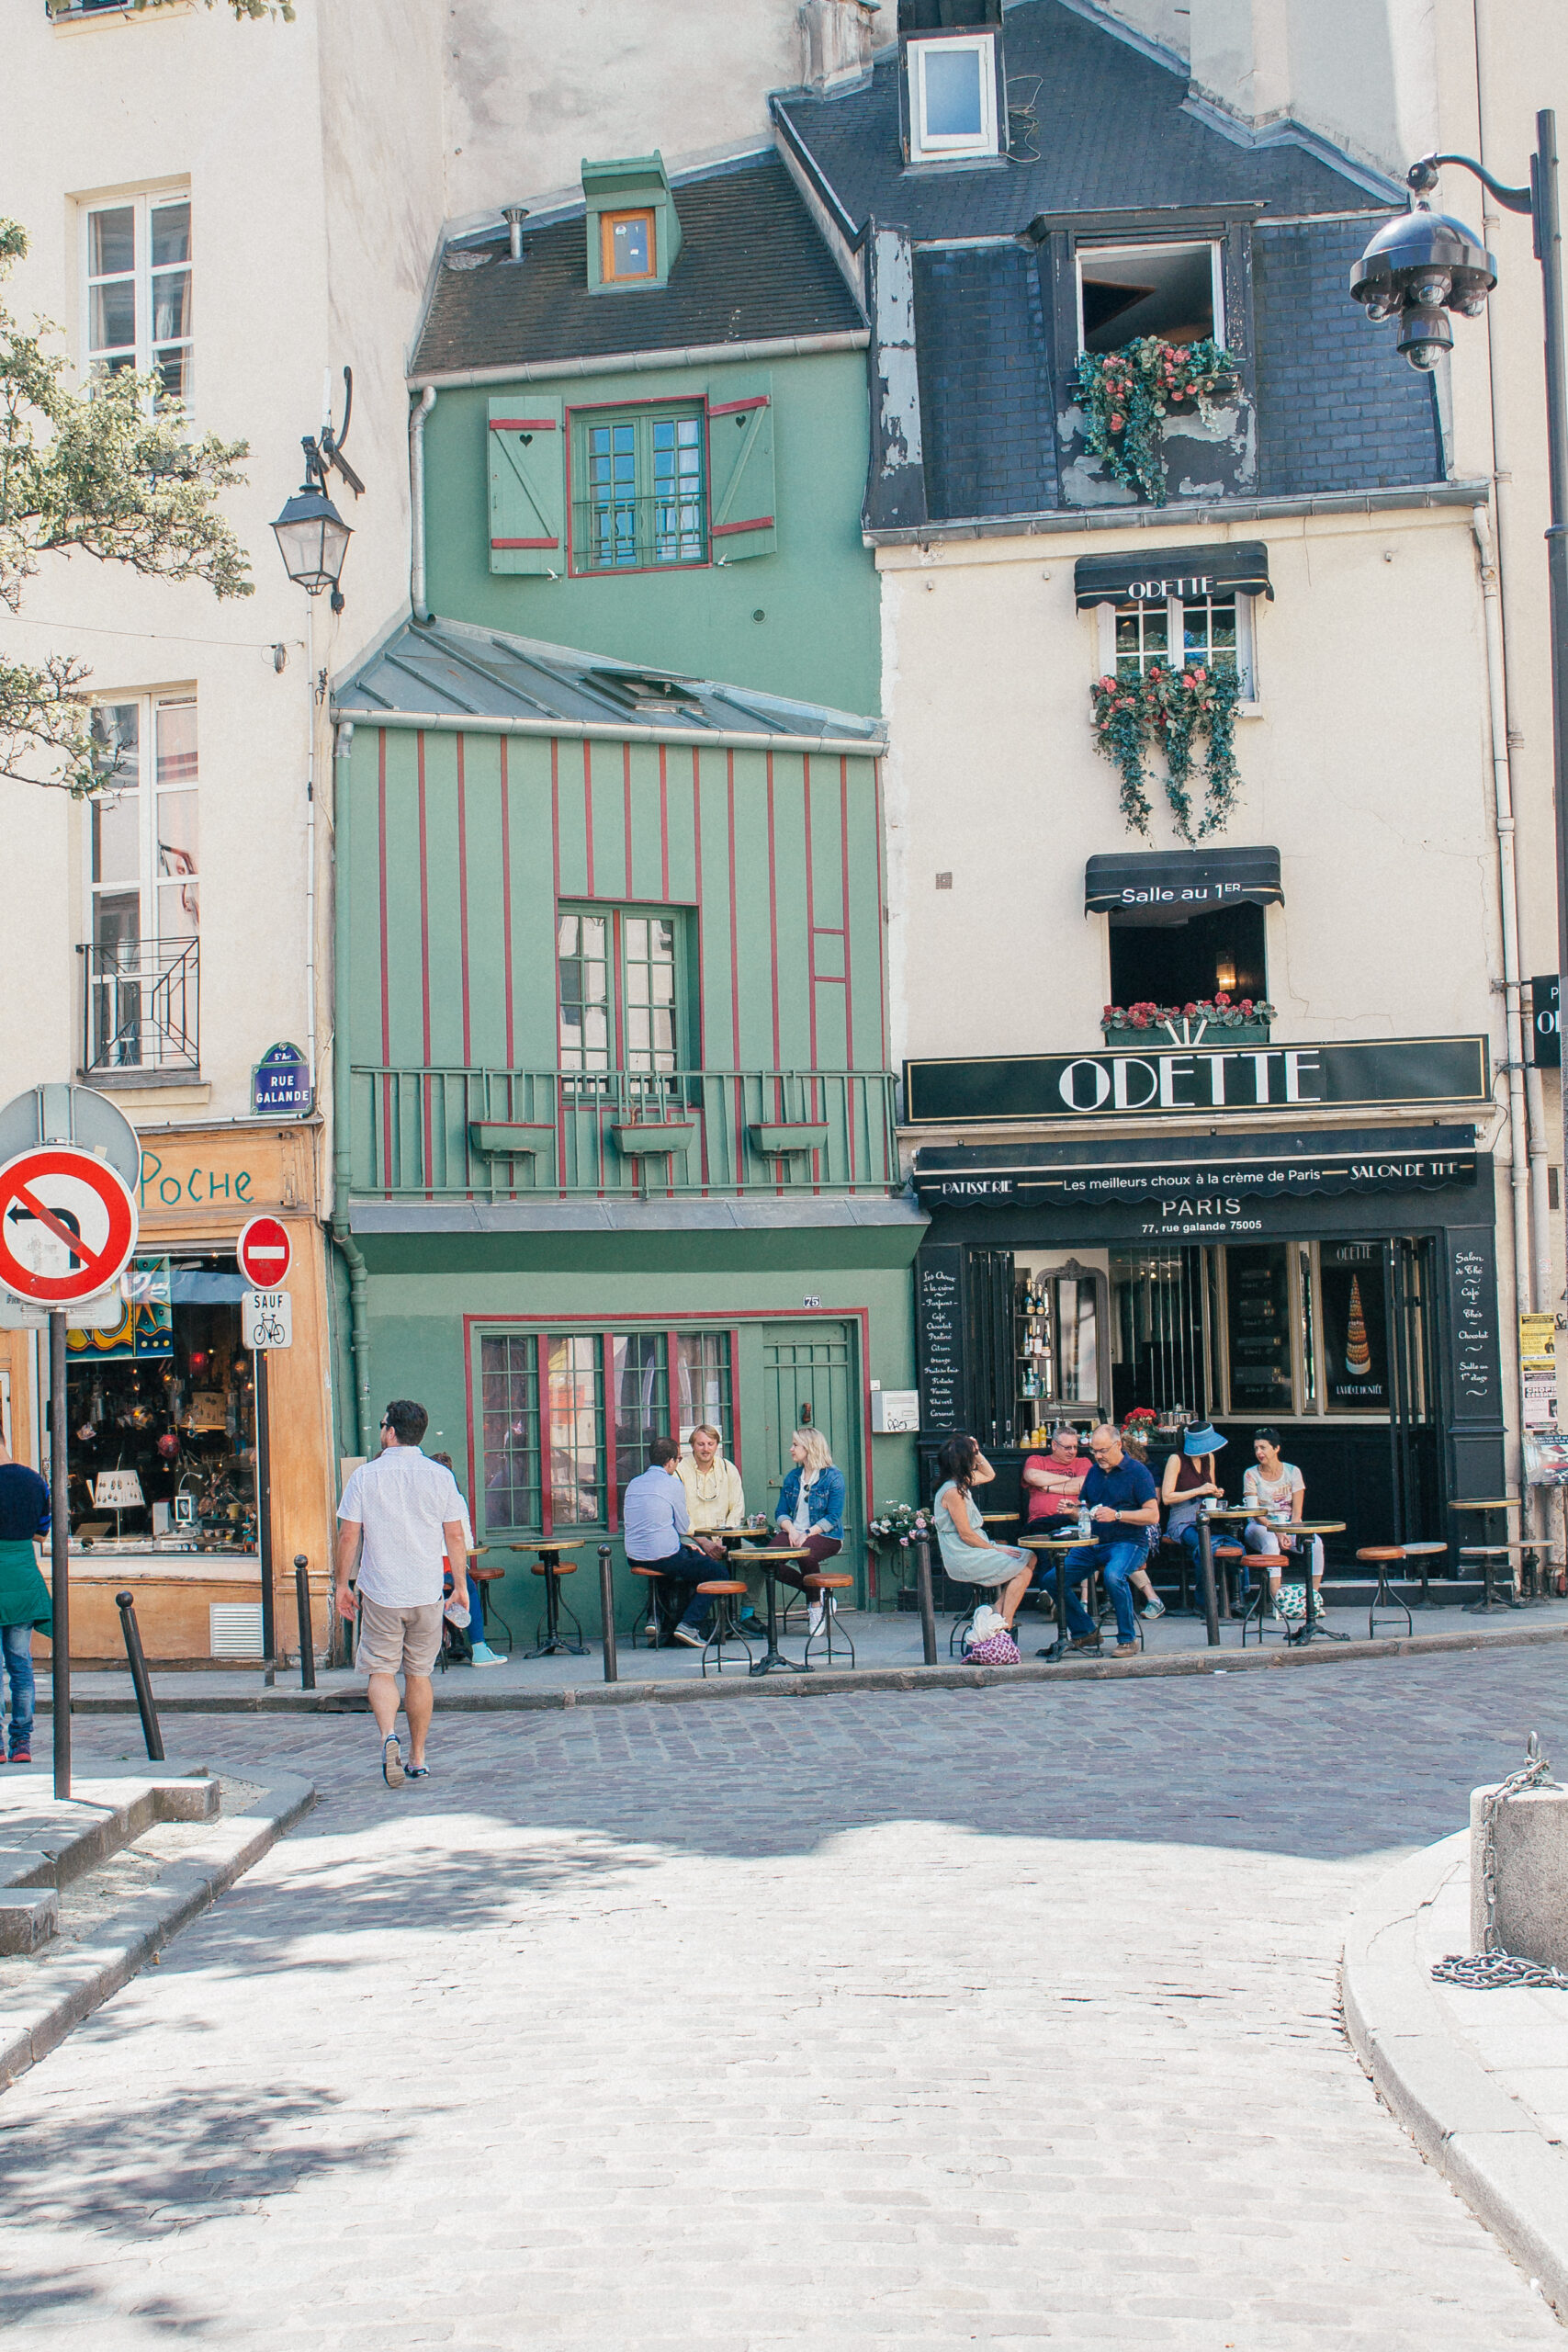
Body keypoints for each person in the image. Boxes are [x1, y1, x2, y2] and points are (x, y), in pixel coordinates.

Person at [335, 1399, 469, 1787]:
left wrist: (342, 1584)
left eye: (383, 1425)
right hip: (426, 1590)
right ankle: (418, 1756)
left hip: (381, 1591)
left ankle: (387, 1735)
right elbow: (455, 1534)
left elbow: (349, 1534)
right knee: (419, 1674)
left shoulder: (366, 1476)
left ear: (390, 1432)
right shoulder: (440, 1476)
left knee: (381, 1669)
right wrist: (459, 1586)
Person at [1034, 1422, 1158, 1659]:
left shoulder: (1138, 1472)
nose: (1098, 1456)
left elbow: (1153, 1514)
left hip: (1129, 1542)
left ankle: (1127, 1639)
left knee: (1113, 1575)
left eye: (1102, 1451)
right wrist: (1072, 1510)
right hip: (1095, 1542)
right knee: (1052, 1579)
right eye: (1094, 1451)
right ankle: (1085, 1631)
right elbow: (1086, 1509)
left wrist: (1118, 1515)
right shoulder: (1094, 1472)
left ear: (1118, 1445)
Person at [623, 1434, 726, 1645]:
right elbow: (682, 1526)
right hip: (663, 1555)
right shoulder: (672, 1484)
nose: (678, 1463)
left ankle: (656, 1618)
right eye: (678, 1459)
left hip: (634, 1556)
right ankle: (689, 1625)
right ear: (670, 1461)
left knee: (669, 1565)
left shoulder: (634, 1483)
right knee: (719, 1573)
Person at [931, 1432, 1032, 1634]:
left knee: (1030, 1557)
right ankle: (1006, 1622)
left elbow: (989, 1474)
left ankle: (997, 1611)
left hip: (974, 1548)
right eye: (971, 1456)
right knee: (1024, 1571)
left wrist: (977, 1452)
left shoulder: (960, 1482)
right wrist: (995, 1549)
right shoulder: (953, 1491)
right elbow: (966, 1534)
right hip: (963, 1554)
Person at [0, 1430, 51, 1767]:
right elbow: (41, 1530)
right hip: (22, 1575)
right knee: (21, 1665)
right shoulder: (33, 1481)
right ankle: (21, 1742)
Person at [429, 1452, 505, 1668]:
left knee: (443, 1593)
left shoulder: (420, 1497)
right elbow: (465, 1542)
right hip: (448, 1568)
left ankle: (444, 1639)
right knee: (468, 1590)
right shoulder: (454, 1497)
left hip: (424, 1569)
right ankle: (479, 1648)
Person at [676, 1425, 750, 1634]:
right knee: (702, 1563)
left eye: (710, 1444)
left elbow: (737, 1507)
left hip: (725, 1535)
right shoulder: (680, 1471)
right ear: (692, 1446)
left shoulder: (728, 1468)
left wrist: (722, 1539)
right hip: (691, 1536)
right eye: (701, 1444)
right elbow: (678, 1515)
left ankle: (746, 1615)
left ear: (717, 1445)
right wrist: (703, 1541)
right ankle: (701, 1622)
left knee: (754, 1560)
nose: (706, 1449)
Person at [773, 1429, 848, 1636]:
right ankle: (818, 1591)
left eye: (795, 1445)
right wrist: (790, 1531)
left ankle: (815, 1605)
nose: (791, 1449)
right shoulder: (793, 1477)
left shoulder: (833, 1477)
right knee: (767, 1560)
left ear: (810, 1447)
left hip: (826, 1536)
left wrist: (806, 1533)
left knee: (806, 1551)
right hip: (794, 1532)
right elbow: (780, 1512)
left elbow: (833, 1517)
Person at [1242, 1428, 1324, 1615]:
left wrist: (1290, 1530)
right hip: (1261, 1525)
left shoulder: (1293, 1471)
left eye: (1263, 1447)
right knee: (1271, 1543)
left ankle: (1311, 1601)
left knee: (1316, 1543)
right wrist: (1277, 1531)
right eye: (1256, 1448)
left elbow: (1297, 1511)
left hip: (1290, 1524)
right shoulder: (1251, 1474)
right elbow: (1254, 1512)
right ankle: (1279, 1602)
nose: (1259, 1453)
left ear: (1276, 1448)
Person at [1160, 1423, 1228, 1600]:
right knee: (1204, 1546)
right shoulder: (1176, 1459)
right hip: (1181, 1521)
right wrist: (1198, 1490)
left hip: (1205, 1517)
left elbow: (1209, 1489)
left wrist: (1215, 1492)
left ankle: (1236, 1597)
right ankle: (1205, 1600)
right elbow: (1167, 1498)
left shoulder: (1209, 1458)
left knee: (1235, 1546)